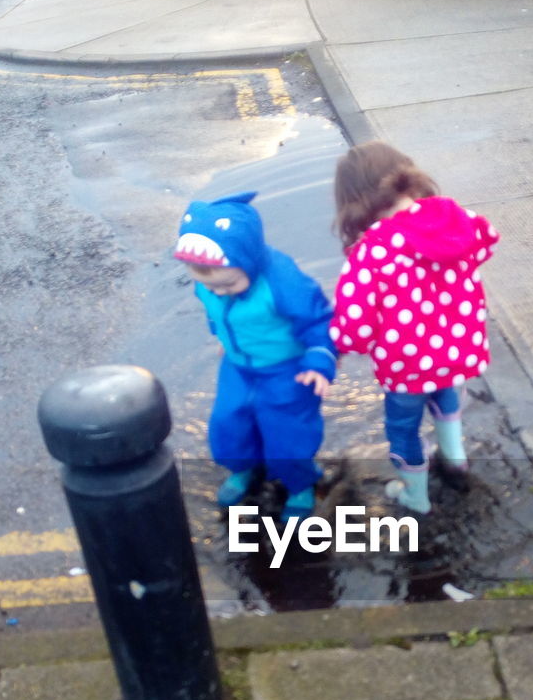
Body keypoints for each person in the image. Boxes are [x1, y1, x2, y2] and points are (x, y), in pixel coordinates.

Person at [330, 142, 500, 514]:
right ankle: (455, 461)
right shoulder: (457, 219)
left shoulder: (371, 252)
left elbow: (354, 325)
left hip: (406, 367)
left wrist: (335, 347)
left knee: (403, 428)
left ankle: (415, 496)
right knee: (444, 396)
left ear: (354, 201)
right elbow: (486, 243)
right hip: (457, 349)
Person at [174, 191, 335, 523]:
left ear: (247, 261)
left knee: (288, 433)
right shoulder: (210, 279)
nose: (218, 292)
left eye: (228, 286)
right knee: (228, 422)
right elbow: (216, 311)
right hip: (238, 365)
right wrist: (222, 337)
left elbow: (319, 319)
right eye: (211, 288)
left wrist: (319, 359)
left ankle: (300, 484)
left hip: (288, 371)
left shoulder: (282, 281)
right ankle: (243, 467)